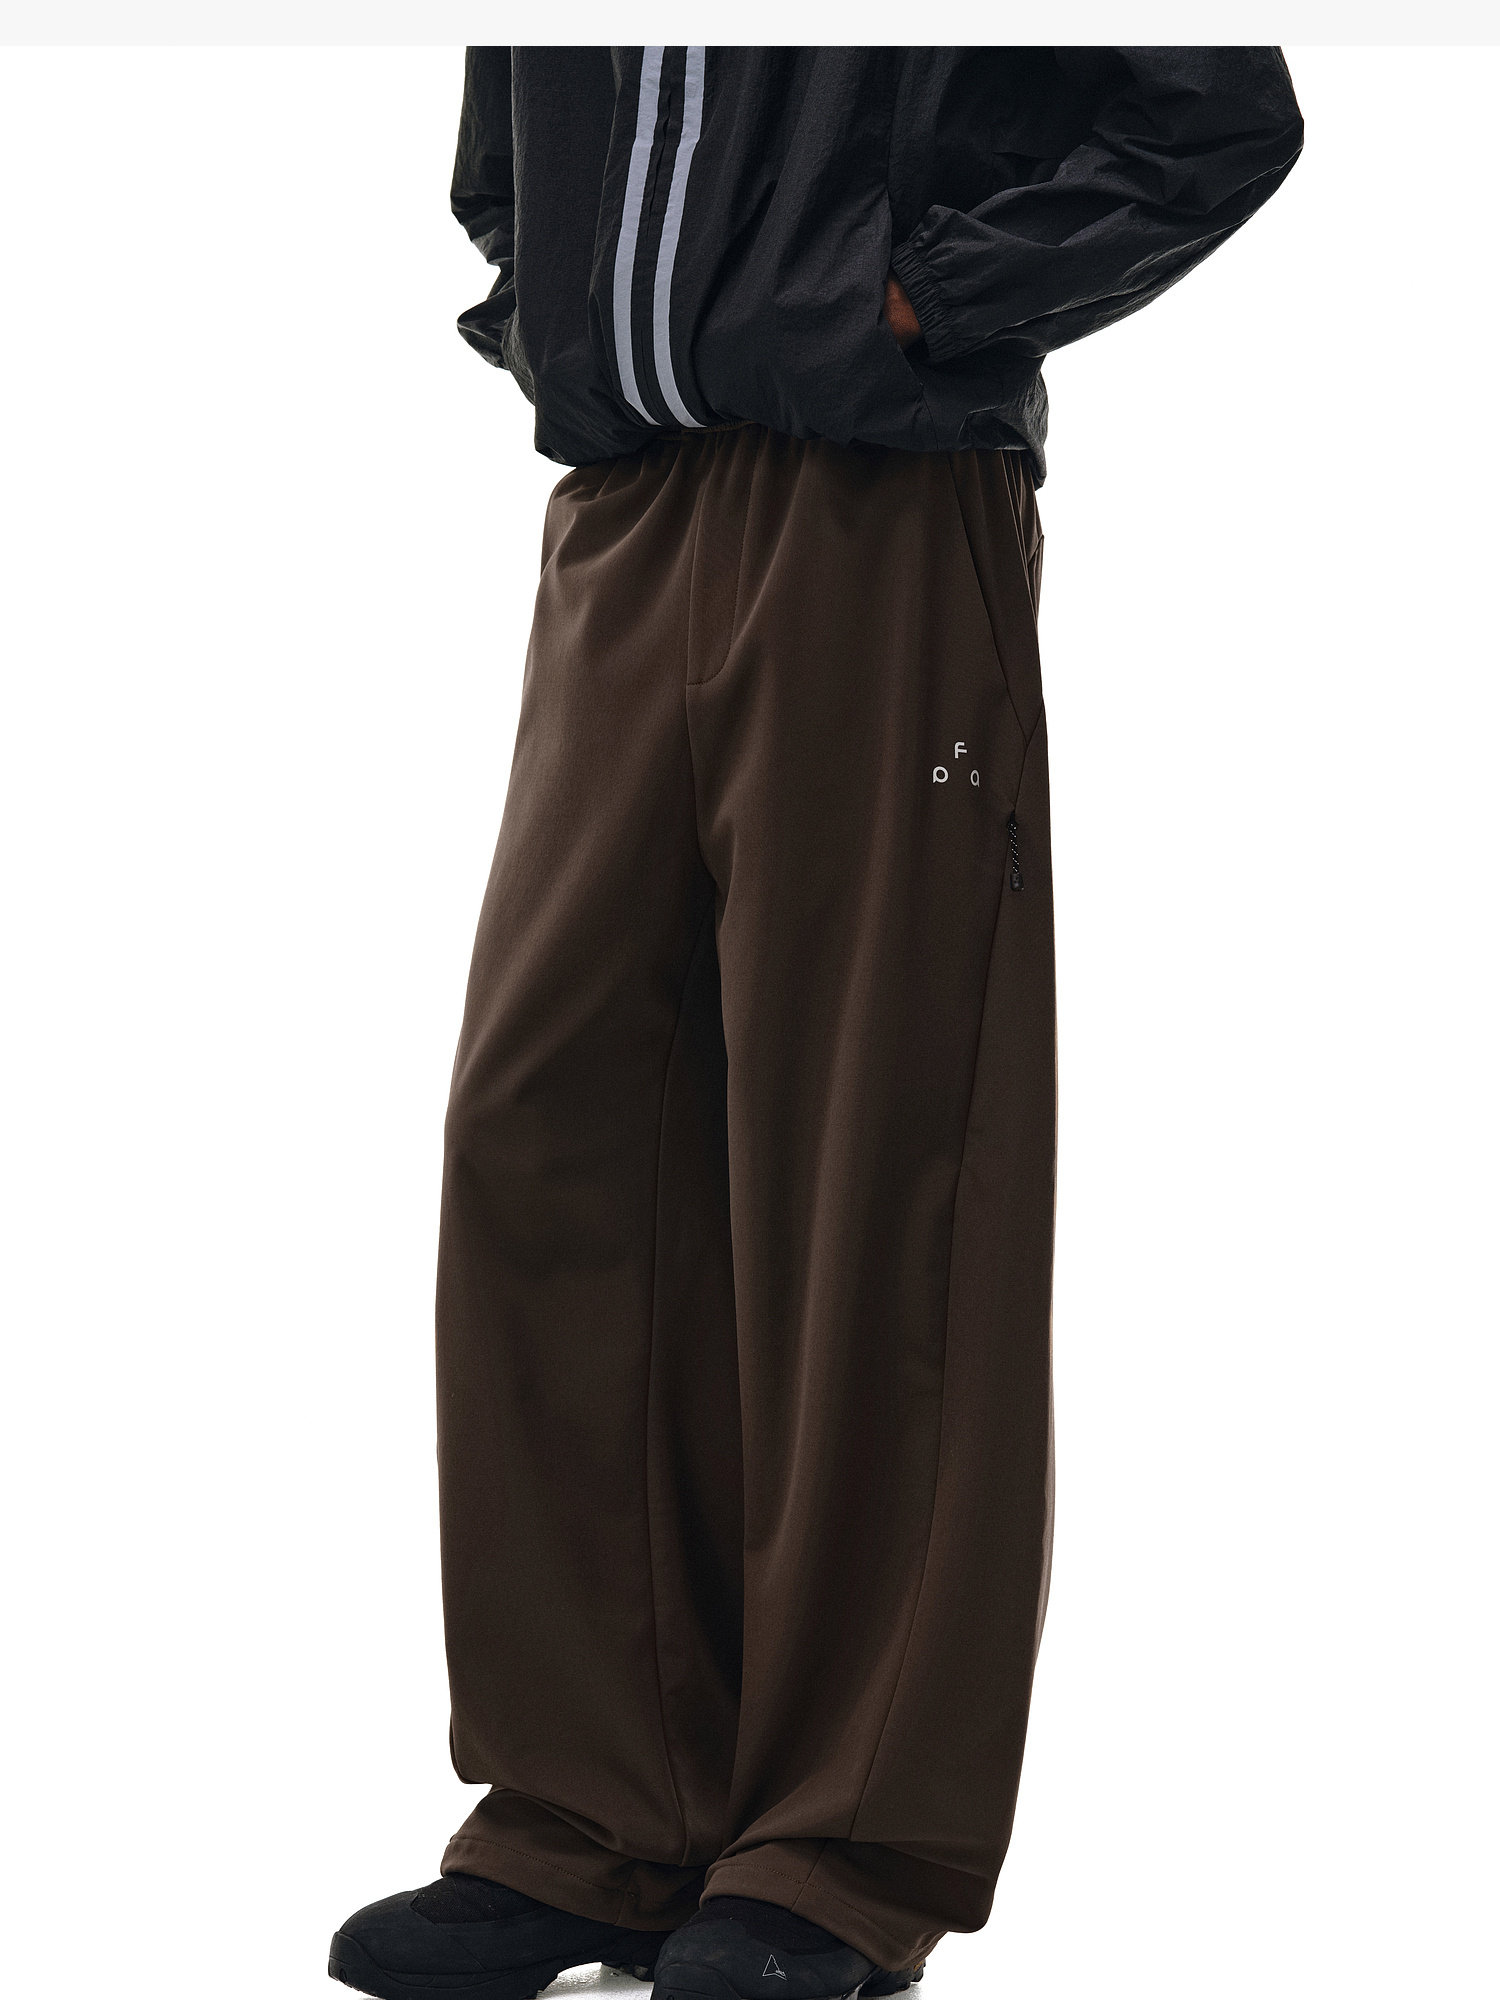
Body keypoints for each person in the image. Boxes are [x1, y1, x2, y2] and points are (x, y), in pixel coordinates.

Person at [329, 45, 1302, 2000]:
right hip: (622, 508)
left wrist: (918, 303)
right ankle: (592, 1814)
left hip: (882, 495)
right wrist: (562, 306)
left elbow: (1211, 116)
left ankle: (843, 1847)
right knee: (552, 1134)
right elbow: (508, 149)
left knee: (871, 1153)